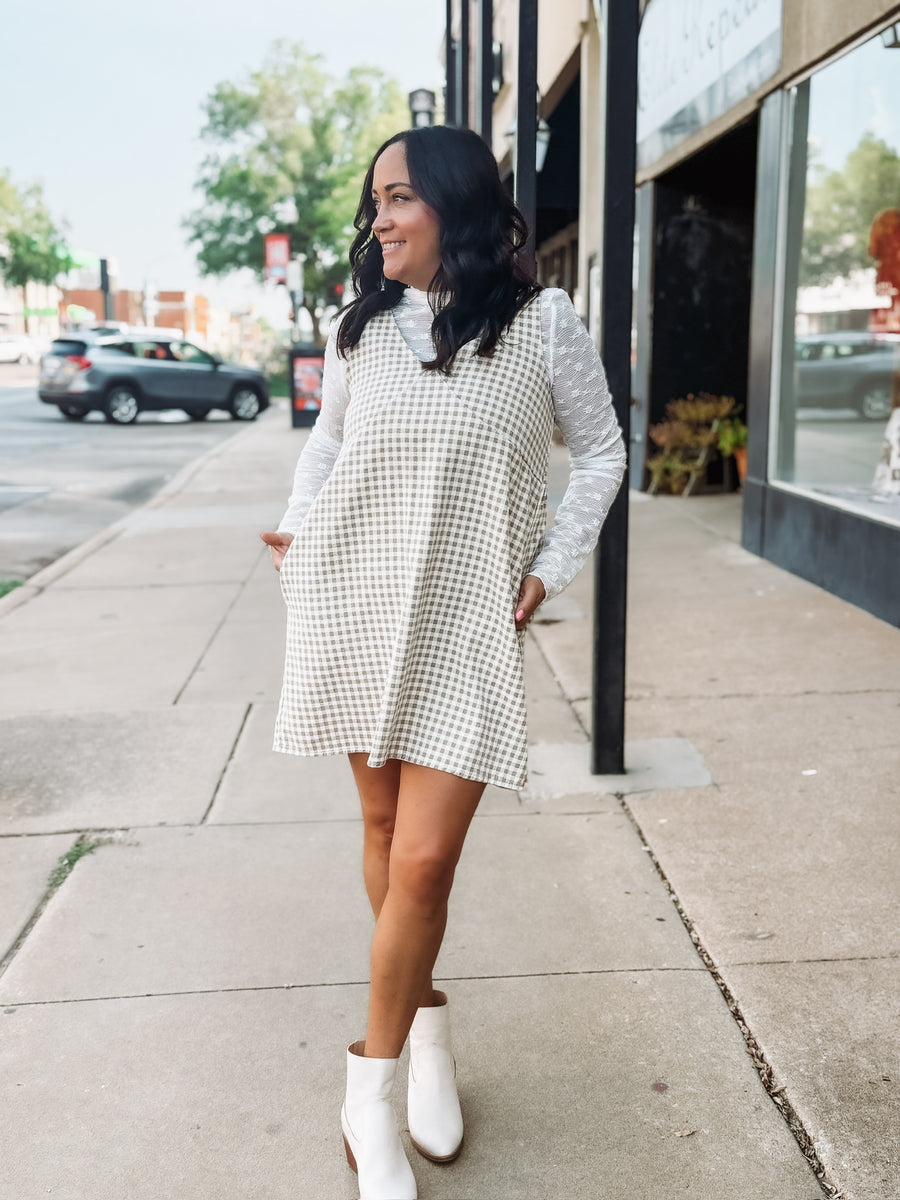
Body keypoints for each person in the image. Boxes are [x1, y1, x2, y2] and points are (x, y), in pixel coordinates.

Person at [261, 125, 626, 1200]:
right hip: (356, 599)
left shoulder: (543, 323)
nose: (379, 219)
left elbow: (602, 452)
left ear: (456, 206)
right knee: (381, 832)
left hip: (467, 618)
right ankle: (423, 1035)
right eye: (375, 201)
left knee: (423, 862)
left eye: (400, 198)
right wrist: (298, 529)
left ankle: (365, 1096)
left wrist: (552, 566)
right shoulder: (361, 328)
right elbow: (329, 445)